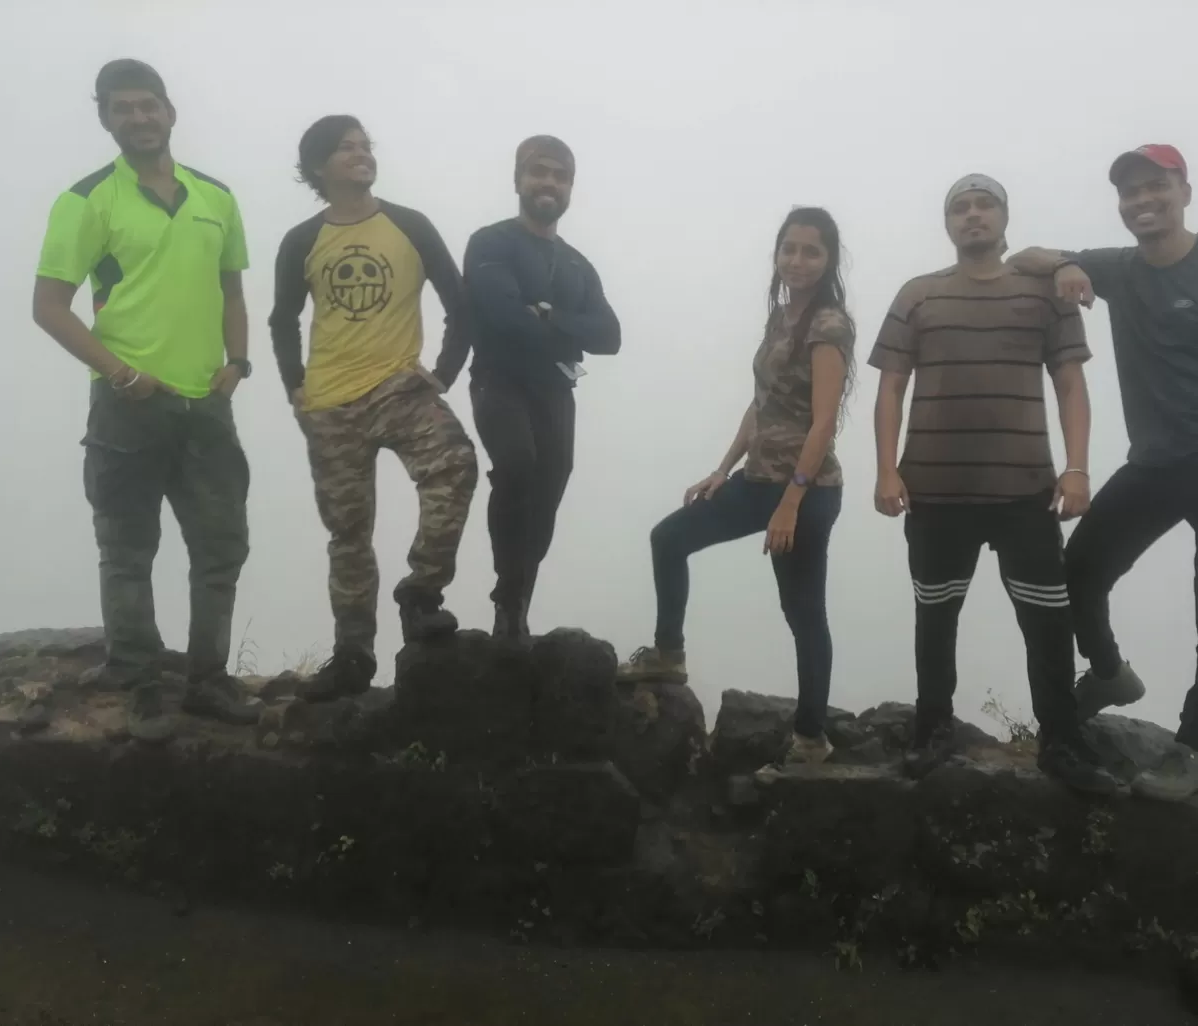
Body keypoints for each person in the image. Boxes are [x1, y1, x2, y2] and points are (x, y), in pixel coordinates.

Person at [1007, 144, 1198, 802]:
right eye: (1130, 192)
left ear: (1184, 192)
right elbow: (1025, 256)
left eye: (1156, 188)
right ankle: (1110, 672)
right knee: (1079, 571)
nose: (1142, 201)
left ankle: (1191, 750)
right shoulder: (1123, 268)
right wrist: (1071, 269)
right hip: (1157, 463)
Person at [31, 59, 258, 740]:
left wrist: (238, 364)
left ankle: (208, 681)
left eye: (148, 105)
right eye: (122, 108)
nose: (138, 118)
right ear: (105, 118)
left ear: (170, 112)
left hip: (206, 406)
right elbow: (48, 307)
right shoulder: (88, 200)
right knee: (128, 546)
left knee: (221, 545)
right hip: (127, 405)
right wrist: (123, 374)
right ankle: (134, 679)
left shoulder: (215, 196)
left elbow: (233, 290)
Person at [869, 174, 1117, 794]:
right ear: (947, 224)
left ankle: (1062, 745)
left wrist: (1078, 467)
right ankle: (932, 732)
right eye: (960, 207)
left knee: (1047, 624)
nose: (972, 215)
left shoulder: (1045, 292)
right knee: (935, 620)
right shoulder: (918, 295)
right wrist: (885, 468)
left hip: (1025, 493)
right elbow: (891, 385)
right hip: (934, 492)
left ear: (1005, 218)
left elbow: (1069, 384)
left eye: (985, 205)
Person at [617, 207, 854, 766]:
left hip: (808, 490)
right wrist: (723, 468)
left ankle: (811, 738)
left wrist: (791, 504)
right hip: (756, 479)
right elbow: (762, 403)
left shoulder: (828, 325)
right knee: (669, 538)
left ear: (827, 260)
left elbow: (823, 421)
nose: (797, 261)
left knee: (802, 612)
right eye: (789, 249)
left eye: (811, 251)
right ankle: (668, 654)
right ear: (776, 254)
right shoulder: (781, 319)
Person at [268, 115, 479, 700]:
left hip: (399, 387)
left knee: (455, 466)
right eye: (345, 148)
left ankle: (421, 592)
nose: (361, 155)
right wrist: (296, 388)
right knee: (348, 533)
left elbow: (458, 302)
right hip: (330, 403)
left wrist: (442, 372)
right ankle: (352, 655)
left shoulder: (408, 225)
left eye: (365, 146)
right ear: (318, 167)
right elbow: (282, 319)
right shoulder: (302, 240)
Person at [460, 136, 622, 642]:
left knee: (550, 485)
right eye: (539, 172)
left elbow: (611, 336)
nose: (549, 183)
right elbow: (502, 316)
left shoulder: (577, 265)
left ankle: (518, 601)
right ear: (518, 180)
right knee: (517, 467)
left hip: (554, 389)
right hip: (498, 379)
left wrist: (548, 314)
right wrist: (564, 326)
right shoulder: (491, 243)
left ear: (571, 188)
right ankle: (508, 597)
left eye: (561, 176)